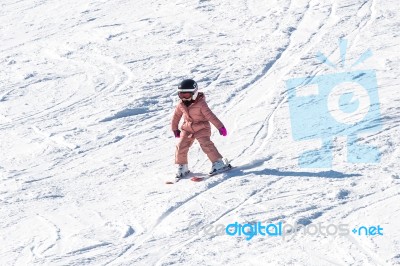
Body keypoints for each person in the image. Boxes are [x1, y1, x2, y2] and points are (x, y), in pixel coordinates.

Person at [171, 79, 228, 178]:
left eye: (186, 95)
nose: (183, 98)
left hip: (202, 127)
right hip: (187, 128)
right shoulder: (181, 104)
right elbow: (176, 116)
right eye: (181, 95)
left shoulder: (201, 104)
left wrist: (220, 126)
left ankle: (218, 163)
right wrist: (175, 128)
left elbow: (210, 115)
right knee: (181, 145)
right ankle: (182, 166)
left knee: (206, 144)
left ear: (194, 93)